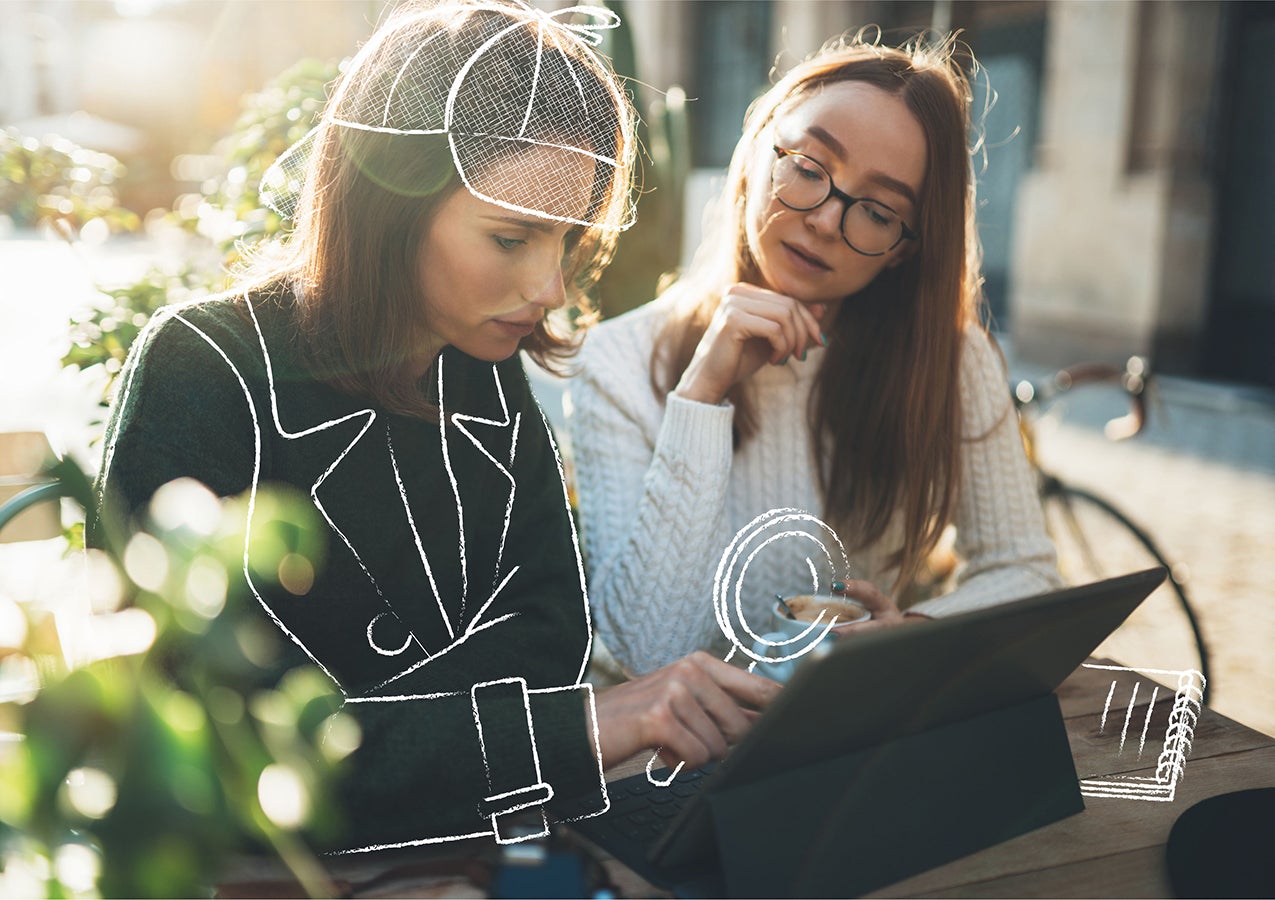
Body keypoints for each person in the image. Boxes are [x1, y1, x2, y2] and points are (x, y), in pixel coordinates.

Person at [93, 0, 777, 853]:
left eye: (565, 242)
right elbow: (205, 749)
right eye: (510, 237)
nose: (549, 290)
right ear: (389, 197)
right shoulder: (205, 367)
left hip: (480, 846)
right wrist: (542, 733)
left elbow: (550, 632)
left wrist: (380, 735)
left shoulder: (481, 363)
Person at [569, 31, 1062, 676]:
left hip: (845, 738)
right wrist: (700, 395)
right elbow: (647, 655)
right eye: (808, 168)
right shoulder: (618, 361)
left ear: (904, 249)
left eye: (879, 211)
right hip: (675, 764)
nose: (827, 220)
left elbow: (1024, 570)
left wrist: (910, 632)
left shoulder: (948, 359)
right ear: (757, 153)